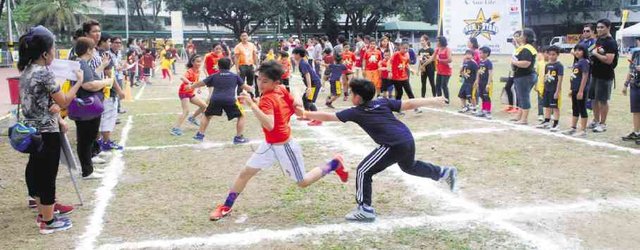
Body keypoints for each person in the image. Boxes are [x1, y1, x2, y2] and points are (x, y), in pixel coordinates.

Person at [209, 61, 348, 221]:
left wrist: (252, 104)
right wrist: (296, 102)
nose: (260, 84)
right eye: (259, 79)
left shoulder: (268, 98)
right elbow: (294, 101)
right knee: (245, 173)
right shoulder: (280, 89)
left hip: (285, 146)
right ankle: (226, 207)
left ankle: (334, 163)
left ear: (276, 82)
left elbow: (269, 124)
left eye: (265, 81)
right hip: (269, 145)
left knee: (302, 182)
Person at [302, 78, 457, 221]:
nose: (350, 96)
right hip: (407, 138)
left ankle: (365, 209)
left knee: (363, 170)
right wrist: (433, 100)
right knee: (409, 167)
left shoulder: (356, 111)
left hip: (393, 144)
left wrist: (305, 113)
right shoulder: (382, 102)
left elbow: (329, 117)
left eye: (352, 94)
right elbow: (408, 104)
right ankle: (443, 172)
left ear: (357, 98)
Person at [18, 26, 84, 234]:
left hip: (31, 131)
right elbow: (63, 100)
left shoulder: (27, 70)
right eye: (54, 49)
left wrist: (54, 109)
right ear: (45, 53)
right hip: (46, 132)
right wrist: (78, 82)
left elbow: (41, 101)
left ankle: (43, 211)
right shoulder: (44, 74)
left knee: (36, 171)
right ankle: (48, 221)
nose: (55, 53)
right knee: (47, 176)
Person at [73, 37, 112, 179]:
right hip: (86, 107)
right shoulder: (81, 63)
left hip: (87, 106)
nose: (95, 51)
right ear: (88, 50)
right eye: (93, 48)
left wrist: (102, 66)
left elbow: (91, 76)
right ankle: (87, 171)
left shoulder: (82, 63)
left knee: (87, 138)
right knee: (86, 139)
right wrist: (106, 82)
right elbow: (88, 85)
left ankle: (88, 167)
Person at [189, 58, 253, 143]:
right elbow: (246, 87)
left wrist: (191, 86)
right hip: (230, 100)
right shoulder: (235, 76)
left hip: (215, 100)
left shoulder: (214, 75)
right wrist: (254, 89)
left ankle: (200, 135)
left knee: (207, 115)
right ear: (230, 66)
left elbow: (201, 83)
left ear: (218, 66)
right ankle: (238, 138)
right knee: (241, 116)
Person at [97, 33, 126, 152]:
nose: (110, 43)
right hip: (107, 91)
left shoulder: (98, 54)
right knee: (108, 117)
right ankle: (105, 141)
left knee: (104, 117)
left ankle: (102, 141)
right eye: (109, 41)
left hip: (103, 91)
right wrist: (119, 91)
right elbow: (110, 75)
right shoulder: (105, 55)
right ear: (102, 42)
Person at [589, 19, 618, 133]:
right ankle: (596, 120)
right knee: (593, 99)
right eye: (598, 27)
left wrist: (596, 54)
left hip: (605, 75)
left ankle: (603, 123)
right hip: (595, 73)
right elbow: (593, 51)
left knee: (603, 100)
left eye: (602, 27)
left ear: (608, 27)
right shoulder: (599, 39)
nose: (599, 29)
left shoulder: (611, 42)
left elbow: (609, 60)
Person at [170, 55, 207, 136]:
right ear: (192, 62)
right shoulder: (189, 71)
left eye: (200, 61)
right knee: (186, 111)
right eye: (197, 61)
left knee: (204, 106)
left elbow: (197, 80)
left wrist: (199, 87)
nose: (199, 63)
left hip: (191, 93)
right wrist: (190, 83)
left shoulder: (198, 71)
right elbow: (182, 77)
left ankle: (192, 118)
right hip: (184, 92)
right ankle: (175, 129)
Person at [511, 28, 538, 125]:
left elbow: (526, 63)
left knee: (524, 96)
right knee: (521, 96)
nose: (520, 36)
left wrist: (514, 63)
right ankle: (519, 115)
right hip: (524, 75)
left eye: (521, 35)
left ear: (526, 37)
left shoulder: (527, 49)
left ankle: (524, 119)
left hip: (525, 76)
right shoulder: (526, 47)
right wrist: (516, 45)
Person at [563, 44, 590, 137]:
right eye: (576, 50)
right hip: (575, 89)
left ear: (584, 51)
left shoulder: (584, 62)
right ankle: (573, 127)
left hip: (581, 89)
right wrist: (572, 89)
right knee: (575, 108)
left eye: (580, 50)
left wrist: (581, 91)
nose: (577, 52)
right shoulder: (577, 62)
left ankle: (583, 130)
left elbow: (585, 76)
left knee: (582, 108)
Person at [536, 46, 563, 132]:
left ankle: (556, 123)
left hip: (554, 89)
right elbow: (545, 77)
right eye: (550, 54)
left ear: (557, 55)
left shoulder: (559, 65)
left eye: (553, 54)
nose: (551, 56)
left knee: (555, 107)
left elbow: (560, 79)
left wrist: (557, 91)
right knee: (547, 106)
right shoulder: (547, 65)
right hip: (547, 88)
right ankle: (546, 121)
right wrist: (543, 88)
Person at [621, 37, 640, 143]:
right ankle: (637, 132)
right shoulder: (636, 53)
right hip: (635, 85)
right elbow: (631, 69)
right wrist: (625, 84)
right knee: (636, 110)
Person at [391, 42, 418, 107]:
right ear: (400, 47)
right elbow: (390, 62)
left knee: (409, 91)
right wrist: (389, 72)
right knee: (400, 92)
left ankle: (415, 107)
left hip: (404, 76)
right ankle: (397, 107)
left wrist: (411, 69)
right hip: (396, 77)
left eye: (407, 48)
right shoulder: (396, 54)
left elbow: (406, 64)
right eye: (404, 48)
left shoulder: (407, 54)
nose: (405, 50)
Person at [234, 32, 259, 97]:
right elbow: (236, 58)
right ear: (240, 37)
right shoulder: (238, 46)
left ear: (248, 37)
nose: (244, 37)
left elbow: (255, 55)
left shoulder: (252, 45)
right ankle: (239, 96)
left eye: (245, 36)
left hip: (250, 66)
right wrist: (237, 69)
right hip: (242, 66)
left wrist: (257, 65)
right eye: (242, 36)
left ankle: (250, 96)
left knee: (250, 82)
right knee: (241, 82)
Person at [428, 37, 452, 103]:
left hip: (446, 71)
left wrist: (440, 60)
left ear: (441, 42)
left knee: (444, 86)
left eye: (438, 41)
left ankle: (447, 100)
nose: (437, 42)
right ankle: (439, 100)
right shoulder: (437, 49)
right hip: (439, 71)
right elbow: (432, 58)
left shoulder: (447, 49)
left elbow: (450, 60)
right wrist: (424, 64)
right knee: (438, 86)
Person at [473, 46, 493, 119]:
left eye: (481, 53)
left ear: (486, 54)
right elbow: (478, 72)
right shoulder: (480, 62)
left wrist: (488, 84)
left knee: (486, 96)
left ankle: (488, 111)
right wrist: (477, 81)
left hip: (486, 82)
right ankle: (483, 109)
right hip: (480, 82)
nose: (479, 54)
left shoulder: (488, 63)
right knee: (481, 95)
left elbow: (490, 74)